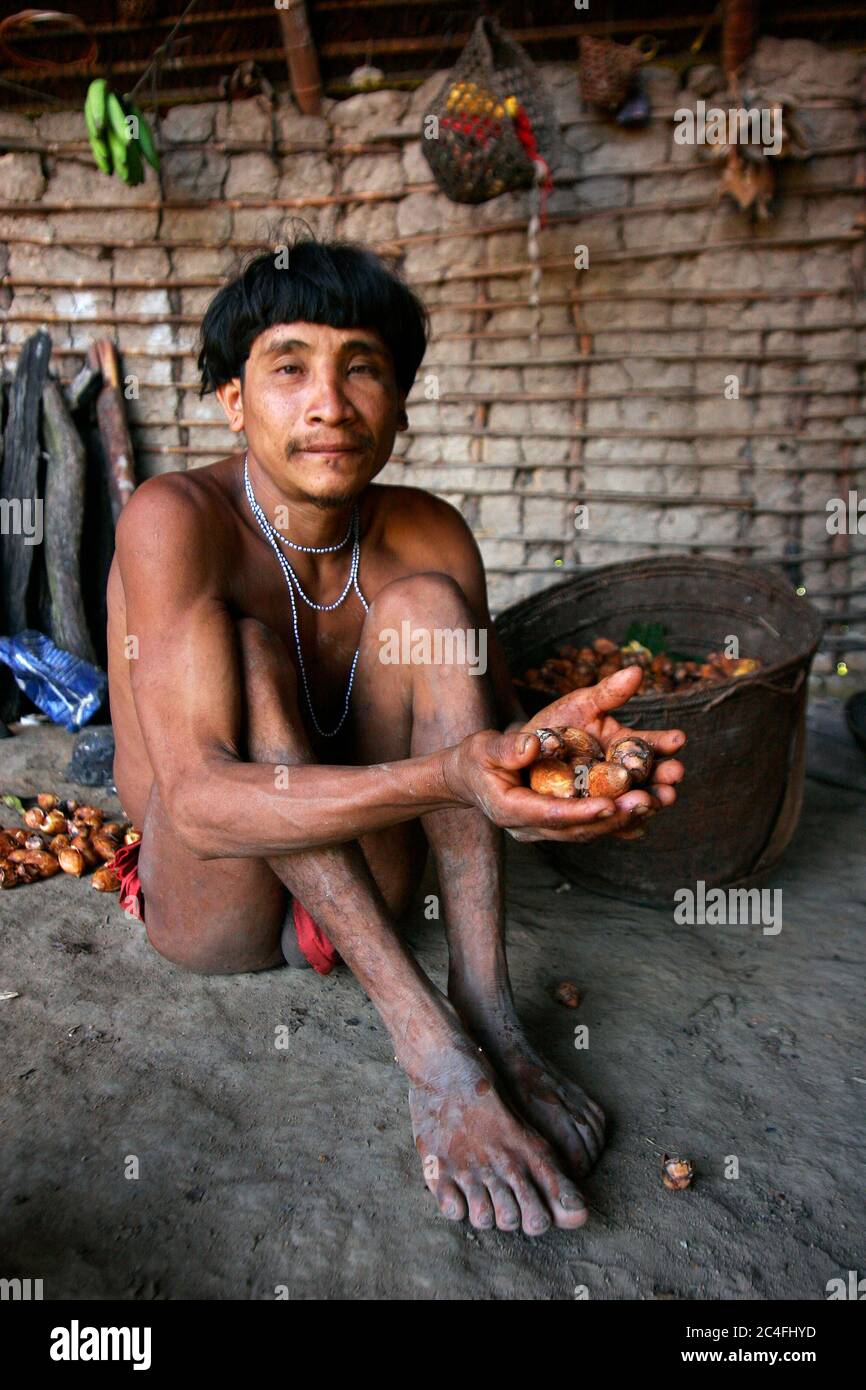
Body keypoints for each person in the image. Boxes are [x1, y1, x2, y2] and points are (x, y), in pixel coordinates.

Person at [106, 236, 686, 1236]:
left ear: (400, 404)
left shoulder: (428, 529)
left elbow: (480, 747)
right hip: (220, 901)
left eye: (361, 366)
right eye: (288, 367)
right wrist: (452, 775)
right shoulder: (176, 517)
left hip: (367, 877)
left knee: (425, 600)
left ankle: (489, 1010)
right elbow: (197, 796)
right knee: (244, 654)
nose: (328, 400)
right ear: (234, 401)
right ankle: (432, 1047)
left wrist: (551, 787)